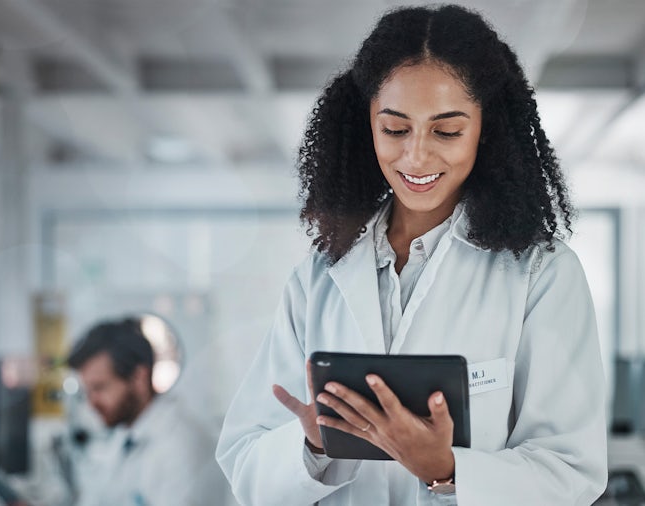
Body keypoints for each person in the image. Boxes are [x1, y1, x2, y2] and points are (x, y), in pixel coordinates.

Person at [216, 4, 607, 505]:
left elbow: (573, 471)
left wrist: (446, 469)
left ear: (486, 129)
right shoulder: (317, 280)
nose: (417, 157)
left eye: (447, 131)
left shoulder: (541, 274)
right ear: (368, 126)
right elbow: (244, 465)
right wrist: (314, 445)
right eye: (395, 129)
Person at [67, 317, 228, 506]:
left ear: (138, 378)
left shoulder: (182, 446)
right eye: (88, 392)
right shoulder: (125, 433)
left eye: (100, 388)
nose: (91, 403)